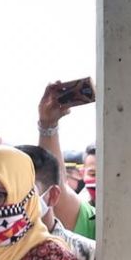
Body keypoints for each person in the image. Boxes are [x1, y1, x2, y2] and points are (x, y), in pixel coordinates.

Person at [35, 81, 97, 239]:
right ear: (82, 173)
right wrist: (48, 125)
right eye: (93, 173)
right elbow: (57, 187)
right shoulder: (90, 220)